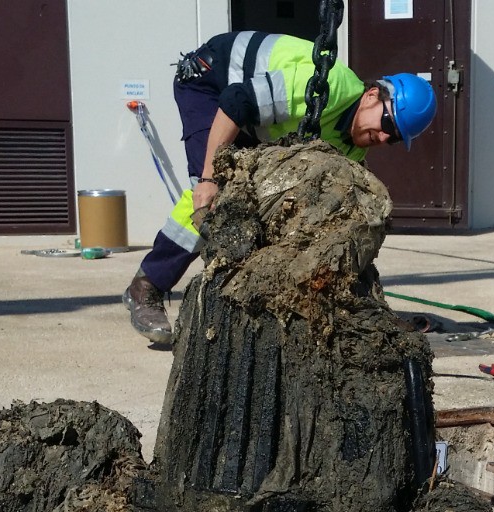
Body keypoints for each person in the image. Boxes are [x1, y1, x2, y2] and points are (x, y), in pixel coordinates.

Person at [123, 31, 438, 346]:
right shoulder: (327, 86)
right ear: (372, 96)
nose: (384, 138)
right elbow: (237, 101)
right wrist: (207, 180)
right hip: (210, 80)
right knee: (216, 195)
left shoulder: (353, 149)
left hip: (251, 117)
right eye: (387, 124)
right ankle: (147, 286)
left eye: (394, 137)